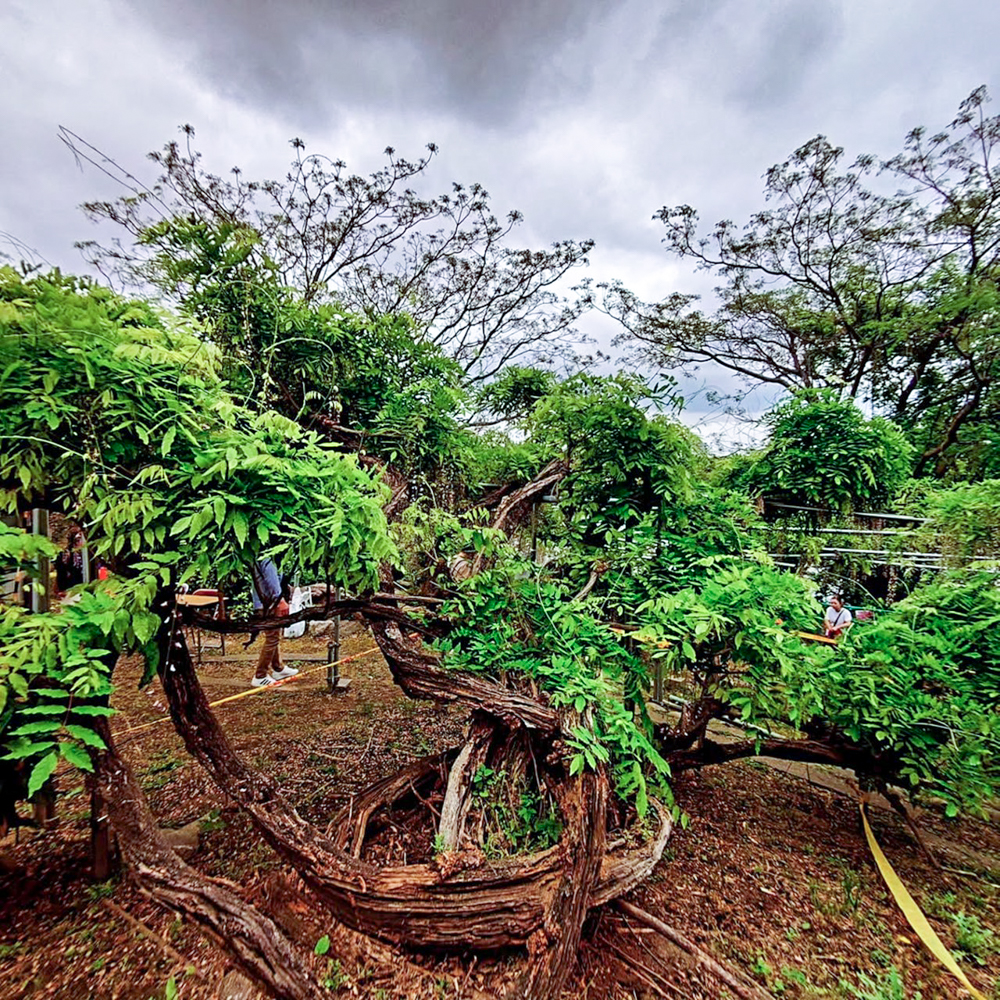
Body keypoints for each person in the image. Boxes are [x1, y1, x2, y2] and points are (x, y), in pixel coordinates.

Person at [249, 558, 299, 688]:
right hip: (269, 603)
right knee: (272, 637)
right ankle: (260, 675)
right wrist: (279, 599)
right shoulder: (266, 557)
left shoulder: (259, 556)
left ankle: (278, 668)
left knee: (274, 635)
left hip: (265, 603)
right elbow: (270, 577)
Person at [55, 527, 85, 595]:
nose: (81, 542)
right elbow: (61, 573)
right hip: (70, 589)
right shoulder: (65, 555)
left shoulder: (87, 555)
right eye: (78, 540)